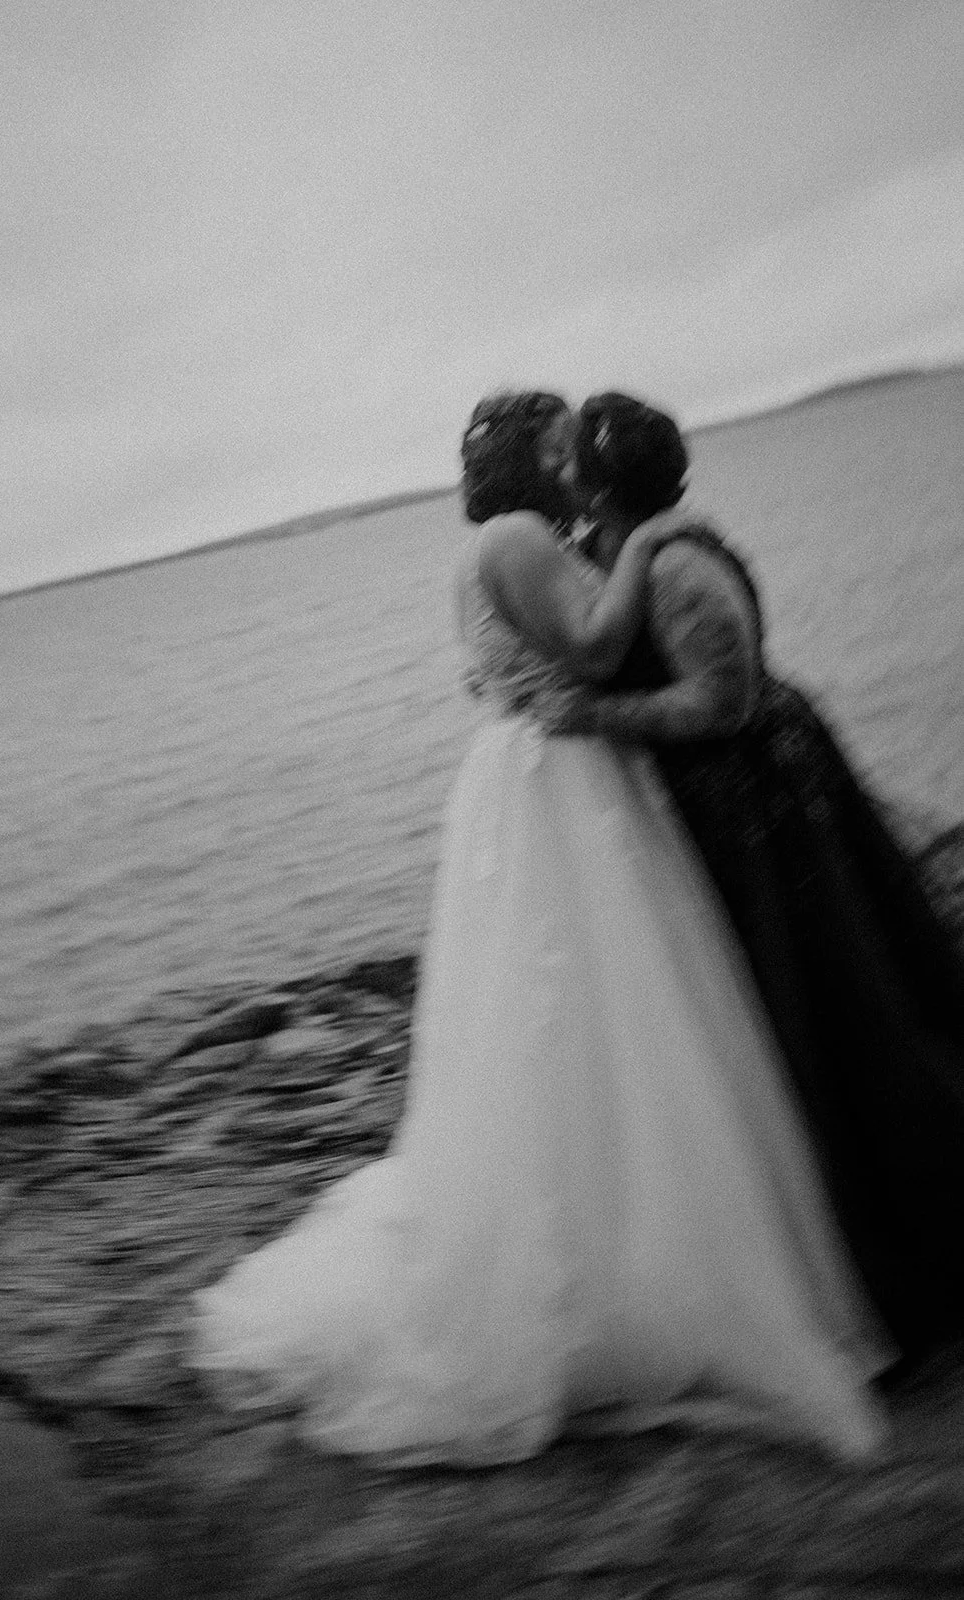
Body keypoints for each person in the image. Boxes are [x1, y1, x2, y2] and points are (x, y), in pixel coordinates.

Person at [190, 390, 889, 1467]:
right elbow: (594, 645)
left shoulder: (509, 540)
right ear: (525, 459)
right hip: (560, 773)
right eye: (555, 441)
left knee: (597, 1004)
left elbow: (519, 650)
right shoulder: (515, 536)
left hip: (549, 770)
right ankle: (621, 1254)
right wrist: (650, 540)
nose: (570, 458)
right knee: (596, 999)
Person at [531, 389, 964, 1375]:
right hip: (723, 812)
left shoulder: (677, 562)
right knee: (776, 1021)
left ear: (601, 480)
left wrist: (594, 717)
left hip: (762, 808)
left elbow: (720, 701)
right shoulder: (617, 548)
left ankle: (904, 1255)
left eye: (569, 462)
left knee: (832, 1010)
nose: (555, 475)